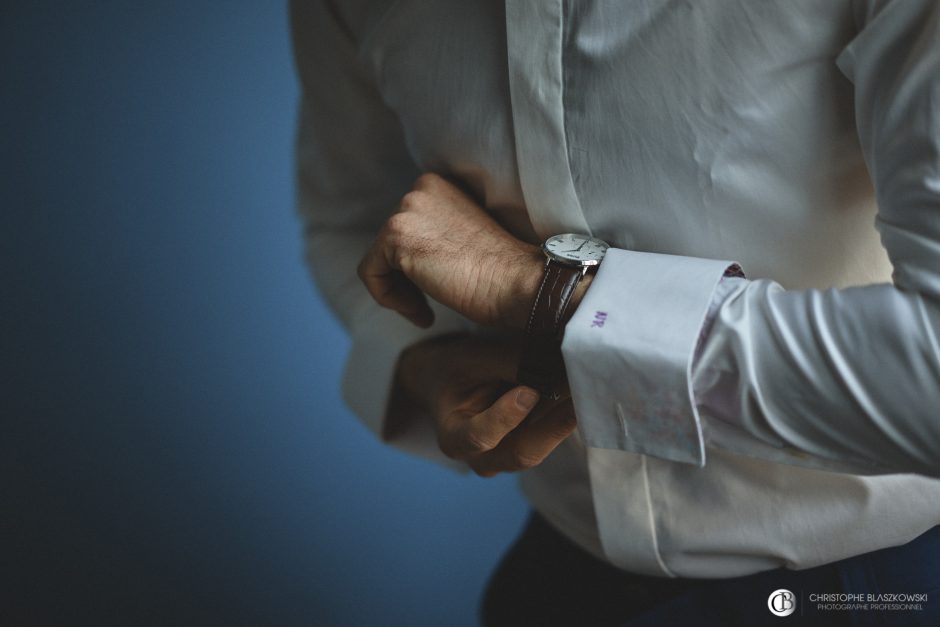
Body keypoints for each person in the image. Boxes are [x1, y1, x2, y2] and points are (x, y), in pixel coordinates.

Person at [291, 0, 940, 624]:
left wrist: (540, 291)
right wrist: (423, 361)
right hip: (557, 579)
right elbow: (351, 219)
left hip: (874, 587)